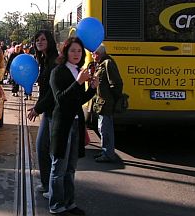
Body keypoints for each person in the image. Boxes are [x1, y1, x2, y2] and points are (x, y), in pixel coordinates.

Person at [47, 37, 98, 215]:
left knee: (71, 168)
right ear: (66, 52)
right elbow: (60, 99)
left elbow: (77, 101)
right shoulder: (58, 72)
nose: (76, 54)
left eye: (79, 51)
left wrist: (92, 88)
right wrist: (78, 82)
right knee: (59, 167)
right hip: (62, 125)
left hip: (76, 124)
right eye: (73, 50)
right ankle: (56, 205)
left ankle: (69, 202)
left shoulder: (78, 70)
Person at [27, 30, 59, 194]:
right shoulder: (45, 60)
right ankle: (48, 184)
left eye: (43, 39)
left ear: (50, 41)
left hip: (54, 112)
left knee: (48, 149)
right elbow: (44, 90)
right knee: (42, 147)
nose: (39, 42)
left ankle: (52, 187)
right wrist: (38, 106)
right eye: (37, 40)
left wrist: (37, 108)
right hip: (48, 111)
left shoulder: (54, 61)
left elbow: (52, 93)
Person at [92, 43, 123, 163]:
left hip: (106, 103)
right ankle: (105, 151)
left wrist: (114, 99)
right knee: (102, 128)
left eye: (93, 53)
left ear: (98, 53)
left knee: (106, 129)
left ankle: (108, 154)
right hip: (102, 103)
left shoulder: (108, 63)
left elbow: (116, 83)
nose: (92, 55)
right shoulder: (101, 64)